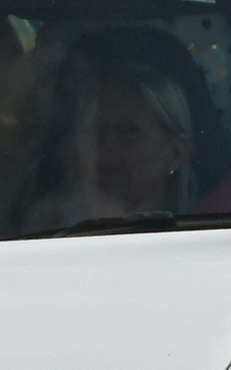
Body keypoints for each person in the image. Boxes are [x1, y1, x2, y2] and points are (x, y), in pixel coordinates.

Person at [20, 28, 200, 231]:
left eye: (128, 131)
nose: (105, 145)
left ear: (176, 153)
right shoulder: (41, 232)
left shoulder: (213, 236)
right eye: (94, 131)